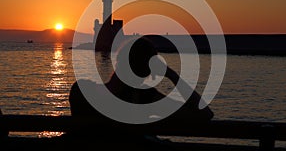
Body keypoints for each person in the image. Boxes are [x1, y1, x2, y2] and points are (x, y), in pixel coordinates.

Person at [68, 36, 213, 140]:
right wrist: (171, 75)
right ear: (148, 71)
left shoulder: (81, 90)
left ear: (118, 60)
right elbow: (205, 114)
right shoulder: (146, 99)